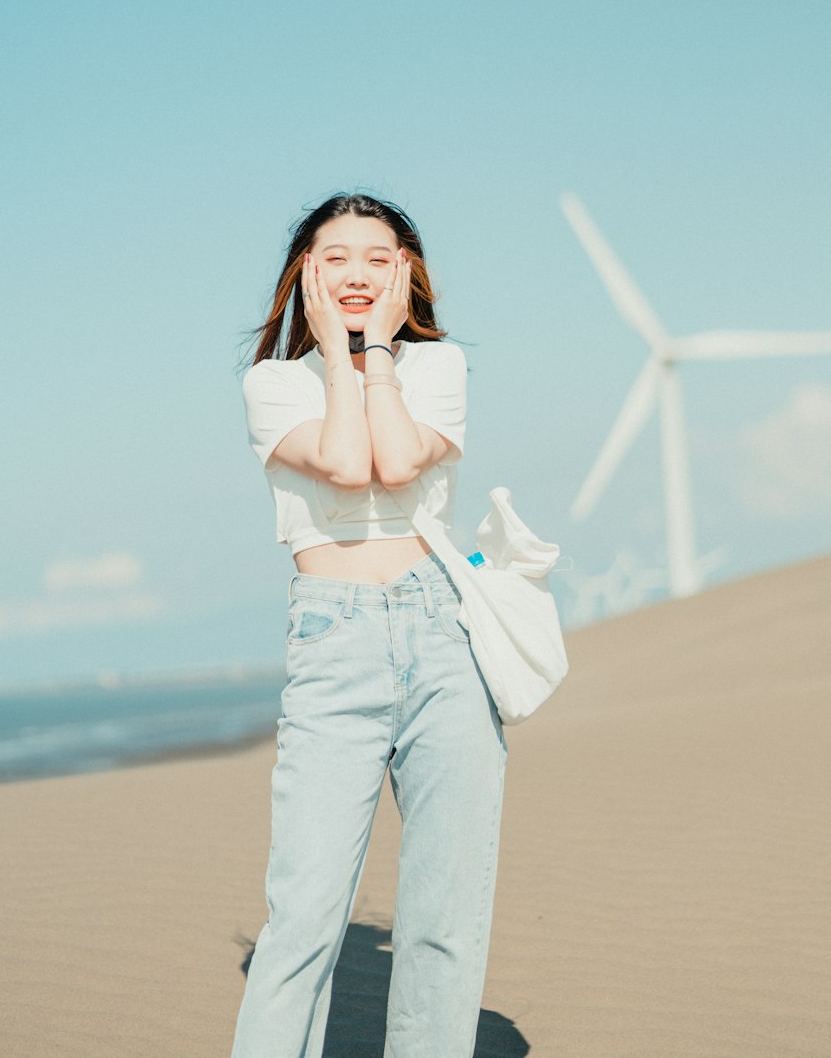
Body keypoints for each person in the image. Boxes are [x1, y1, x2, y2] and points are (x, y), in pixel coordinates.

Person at [230, 191, 507, 1058]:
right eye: (334, 256)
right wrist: (347, 360)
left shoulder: (439, 367)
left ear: (407, 273)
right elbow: (351, 467)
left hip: (443, 631)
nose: (356, 273)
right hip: (333, 637)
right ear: (304, 274)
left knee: (444, 916)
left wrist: (380, 352)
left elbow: (400, 456)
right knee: (303, 915)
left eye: (378, 257)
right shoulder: (273, 384)